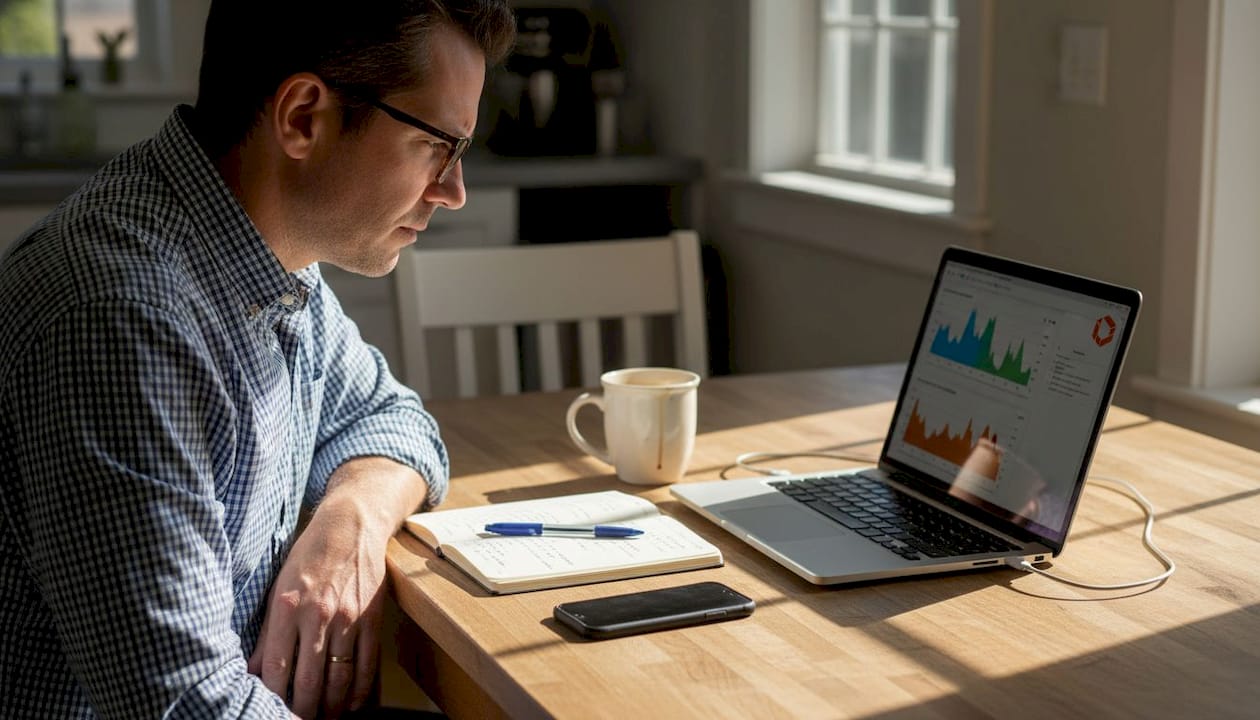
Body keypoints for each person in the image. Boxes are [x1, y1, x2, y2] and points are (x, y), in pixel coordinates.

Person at [0, 1, 515, 717]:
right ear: (304, 116)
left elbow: (394, 419)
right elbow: (187, 706)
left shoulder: (271, 257)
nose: (454, 192)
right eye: (437, 146)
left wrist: (350, 522)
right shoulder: (119, 318)